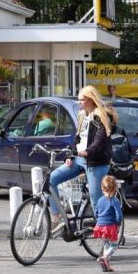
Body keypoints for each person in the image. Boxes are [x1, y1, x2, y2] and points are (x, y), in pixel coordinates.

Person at [48, 85, 113, 222]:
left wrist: (88, 151)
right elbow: (77, 138)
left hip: (96, 162)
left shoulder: (100, 116)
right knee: (51, 180)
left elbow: (100, 140)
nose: (79, 103)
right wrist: (70, 155)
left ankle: (108, 233)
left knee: (96, 201)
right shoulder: (83, 116)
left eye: (82, 100)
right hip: (79, 160)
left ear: (91, 99)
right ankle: (56, 216)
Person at [92, 174, 123, 272]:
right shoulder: (115, 200)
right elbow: (119, 215)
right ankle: (104, 257)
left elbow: (96, 213)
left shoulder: (100, 200)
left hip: (100, 226)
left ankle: (106, 266)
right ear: (115, 188)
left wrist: (99, 221)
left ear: (102, 188)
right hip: (110, 226)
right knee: (114, 245)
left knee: (106, 245)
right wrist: (118, 224)